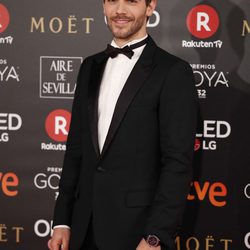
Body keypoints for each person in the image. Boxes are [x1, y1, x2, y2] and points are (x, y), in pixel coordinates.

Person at [48, 0, 198, 249]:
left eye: (131, 1)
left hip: (136, 232)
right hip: (83, 228)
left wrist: (155, 236)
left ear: (150, 7)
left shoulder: (173, 71)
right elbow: (75, 149)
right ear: (103, 6)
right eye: (112, 1)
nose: (120, 10)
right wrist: (62, 221)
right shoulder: (89, 66)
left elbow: (177, 163)